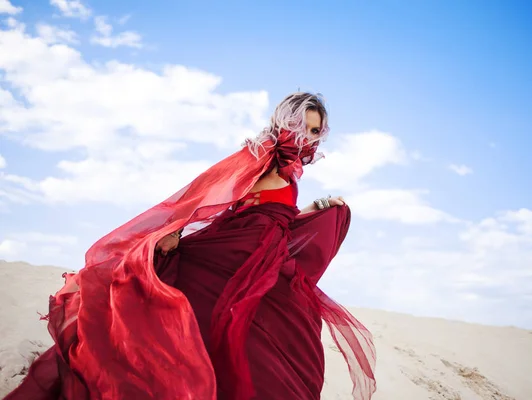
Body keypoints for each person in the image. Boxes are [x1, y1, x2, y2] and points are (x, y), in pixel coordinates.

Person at [5, 93, 376, 400]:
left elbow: (275, 217)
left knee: (287, 341)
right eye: (301, 126)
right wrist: (173, 229)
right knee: (213, 339)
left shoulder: (288, 169)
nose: (307, 136)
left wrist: (321, 209)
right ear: (284, 121)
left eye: (315, 130)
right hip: (231, 261)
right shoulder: (258, 157)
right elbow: (203, 194)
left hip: (263, 265)